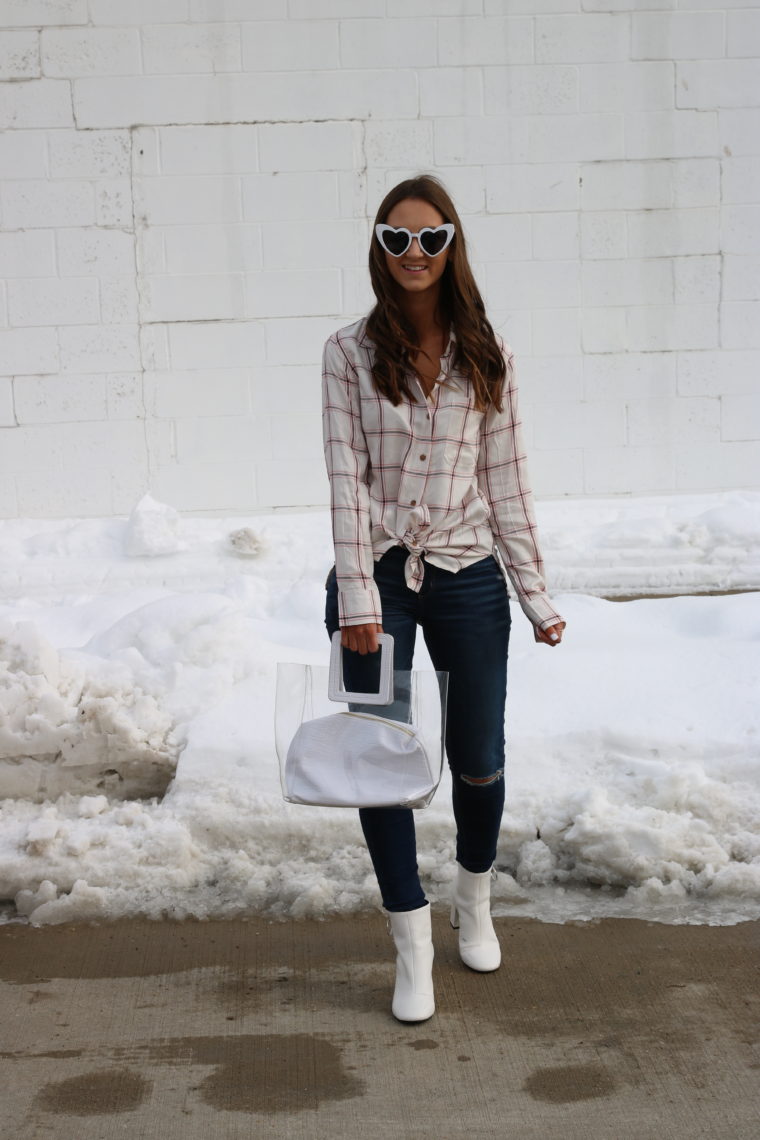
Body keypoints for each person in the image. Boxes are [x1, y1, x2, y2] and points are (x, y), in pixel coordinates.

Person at [321, 174, 566, 1023]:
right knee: (380, 765)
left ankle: (474, 900)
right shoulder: (347, 353)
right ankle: (411, 943)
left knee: (479, 759)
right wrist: (357, 595)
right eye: (397, 238)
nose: (414, 253)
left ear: (453, 245)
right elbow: (345, 482)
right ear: (379, 250)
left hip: (468, 577)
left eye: (430, 237)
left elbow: (509, 484)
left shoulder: (485, 353)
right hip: (376, 577)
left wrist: (535, 594)